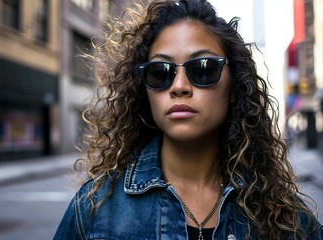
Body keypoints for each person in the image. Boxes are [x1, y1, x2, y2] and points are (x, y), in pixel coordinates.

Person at [53, 0, 323, 239]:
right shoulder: (96, 207)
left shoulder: (286, 218)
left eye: (202, 69)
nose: (179, 86)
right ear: (144, 90)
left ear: (234, 87)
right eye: (161, 72)